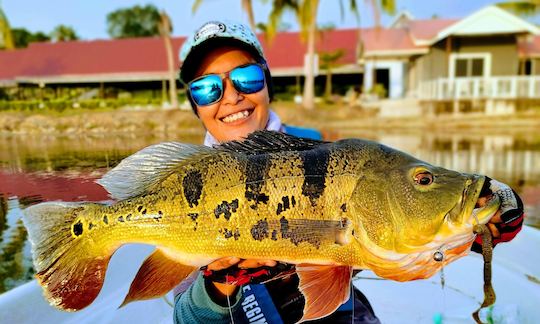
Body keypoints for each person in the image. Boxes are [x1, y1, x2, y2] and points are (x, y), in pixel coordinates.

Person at [173, 20, 524, 323]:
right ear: (195, 105)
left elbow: (382, 241)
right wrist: (220, 285)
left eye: (246, 77)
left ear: (267, 83)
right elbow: (186, 318)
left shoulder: (324, 154)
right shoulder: (184, 183)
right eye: (207, 88)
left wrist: (486, 213)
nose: (231, 96)